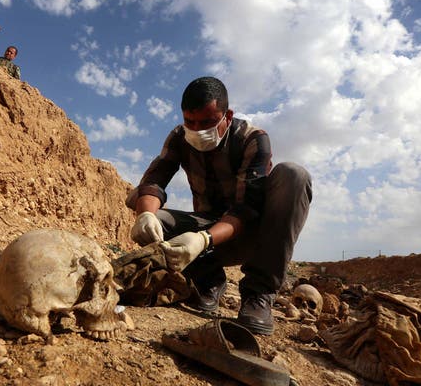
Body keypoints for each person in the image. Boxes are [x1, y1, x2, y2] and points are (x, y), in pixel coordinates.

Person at [126, 76, 312, 336]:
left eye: (207, 123)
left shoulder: (252, 139)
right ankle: (207, 278)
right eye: (190, 122)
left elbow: (245, 209)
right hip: (209, 227)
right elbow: (155, 179)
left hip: (250, 233)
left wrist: (203, 239)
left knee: (294, 175)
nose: (197, 130)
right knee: (155, 219)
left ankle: (259, 294)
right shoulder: (179, 138)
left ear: (227, 115)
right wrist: (145, 215)